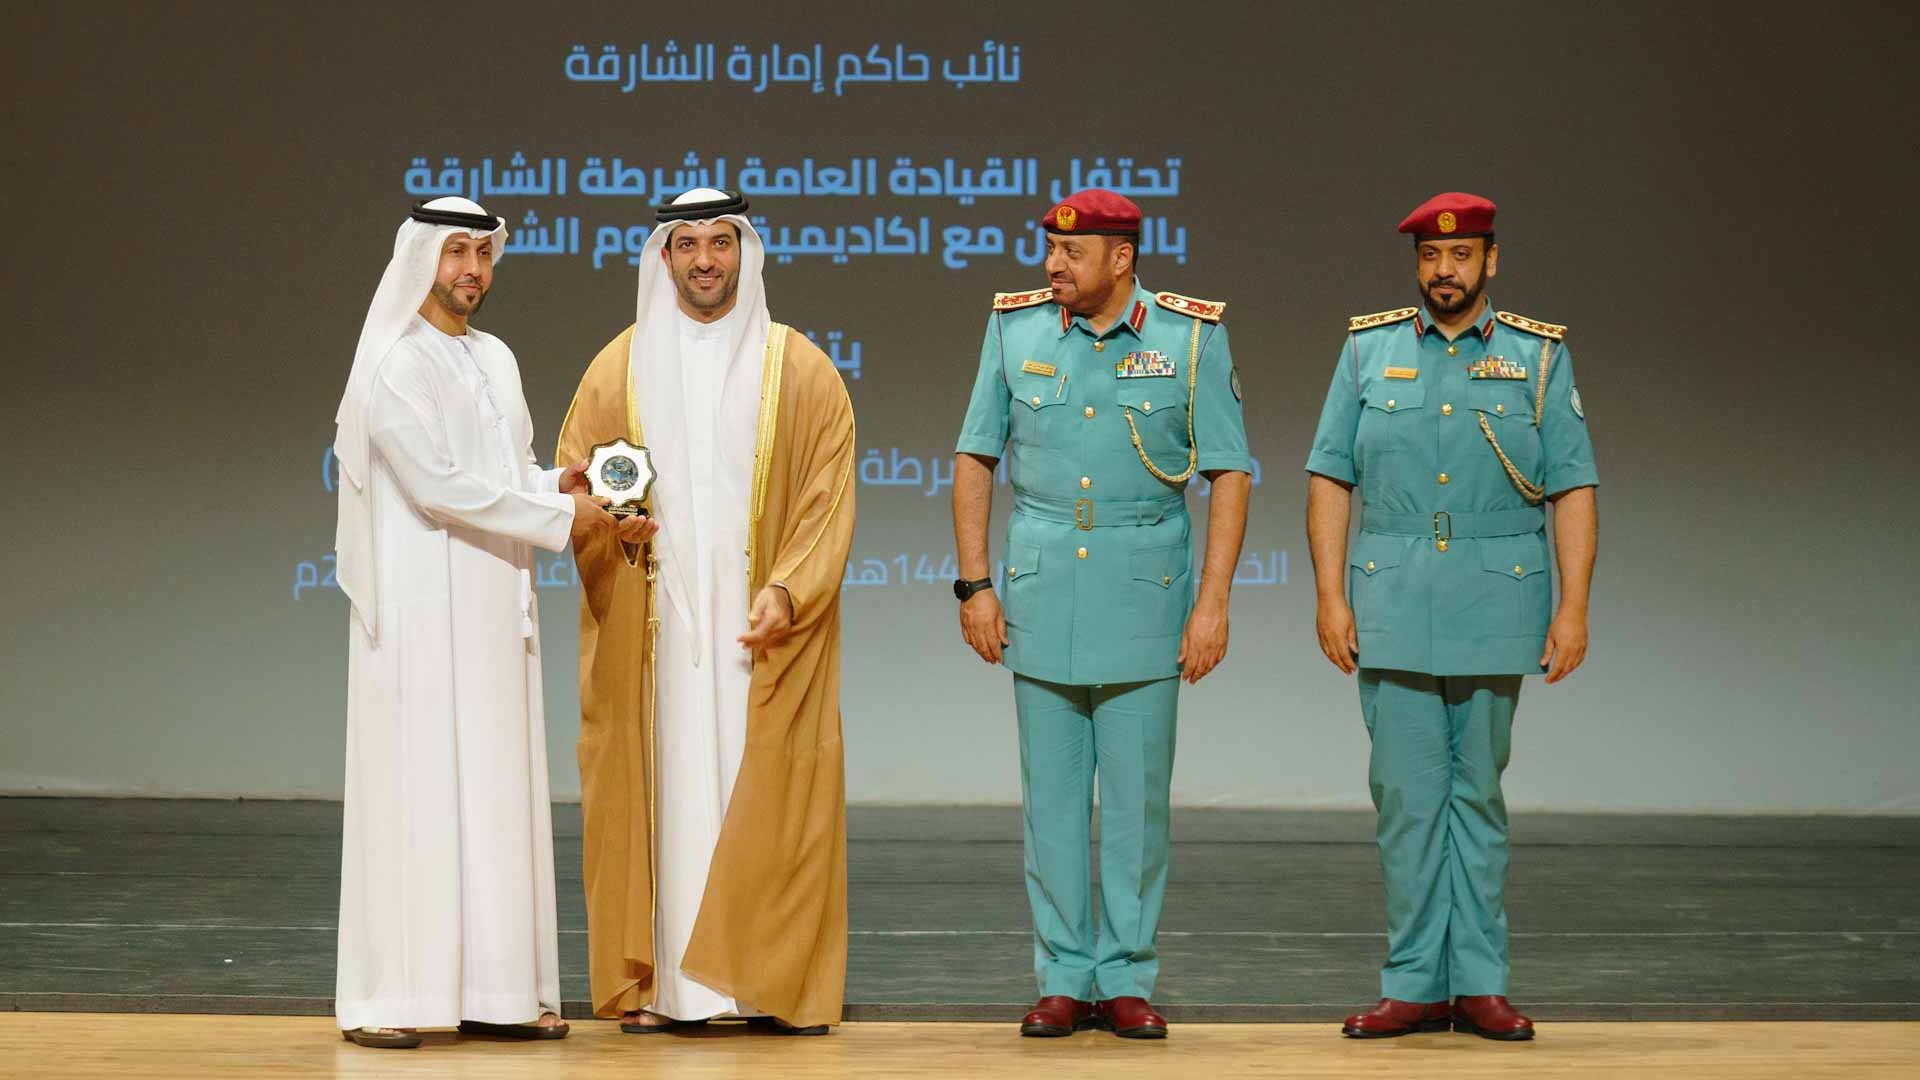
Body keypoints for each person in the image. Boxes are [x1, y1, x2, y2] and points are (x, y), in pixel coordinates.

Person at [950, 189, 1252, 1039]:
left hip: (1145, 596)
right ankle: (1061, 978)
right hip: (1043, 594)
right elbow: (975, 455)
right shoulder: (1015, 329)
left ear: (1121, 258)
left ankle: (1124, 977)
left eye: (1071, 253)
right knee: (1050, 807)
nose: (1053, 264)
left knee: (1135, 808)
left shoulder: (1190, 337)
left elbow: (1229, 471)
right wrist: (975, 586)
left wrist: (1213, 603)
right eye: (1050, 249)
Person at [558, 189, 857, 1035]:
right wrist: (610, 525)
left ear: (744, 252)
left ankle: (768, 986)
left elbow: (828, 495)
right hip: (655, 623)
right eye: (686, 244)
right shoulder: (616, 369)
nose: (703, 260)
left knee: (762, 790)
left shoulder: (799, 368)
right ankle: (666, 989)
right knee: (669, 793)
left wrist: (788, 589)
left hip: (760, 624)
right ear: (664, 257)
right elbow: (579, 483)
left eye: (719, 242)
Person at [1304, 192, 1599, 1041]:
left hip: (1495, 599)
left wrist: (1574, 607)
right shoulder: (1368, 349)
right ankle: (1412, 984)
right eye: (1432, 256)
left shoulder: (1537, 357)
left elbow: (1574, 484)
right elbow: (1329, 474)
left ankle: (1477, 984)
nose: (1445, 270)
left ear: (1490, 260)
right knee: (1406, 802)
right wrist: (1330, 594)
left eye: (1461, 254)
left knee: (1477, 800)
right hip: (1393, 600)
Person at [332, 196, 612, 1049]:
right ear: (423, 258)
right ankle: (388, 1000)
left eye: (484, 255)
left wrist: (556, 486)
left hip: (493, 607)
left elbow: (503, 468)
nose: (473, 271)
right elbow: (437, 487)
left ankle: (499, 995)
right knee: (417, 796)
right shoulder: (394, 363)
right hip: (421, 614)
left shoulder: (495, 356)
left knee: (496, 797)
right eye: (457, 252)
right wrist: (562, 519)